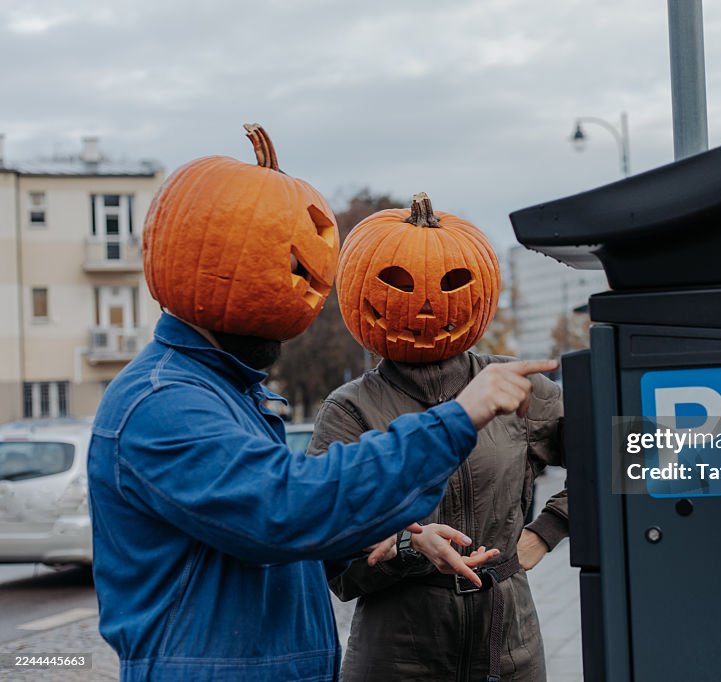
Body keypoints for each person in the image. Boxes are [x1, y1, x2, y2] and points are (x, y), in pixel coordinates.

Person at [87, 125, 558, 682]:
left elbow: (308, 533)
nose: (303, 292)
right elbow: (285, 509)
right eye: (288, 268)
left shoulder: (230, 394)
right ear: (213, 267)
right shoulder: (163, 402)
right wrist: (456, 419)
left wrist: (406, 539)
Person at [309, 193, 568, 681]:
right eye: (397, 284)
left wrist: (546, 531)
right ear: (363, 290)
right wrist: (409, 548)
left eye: (452, 284)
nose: (426, 306)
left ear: (480, 291)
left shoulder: (515, 385)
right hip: (397, 659)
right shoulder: (349, 409)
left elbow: (618, 458)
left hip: (508, 652)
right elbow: (333, 564)